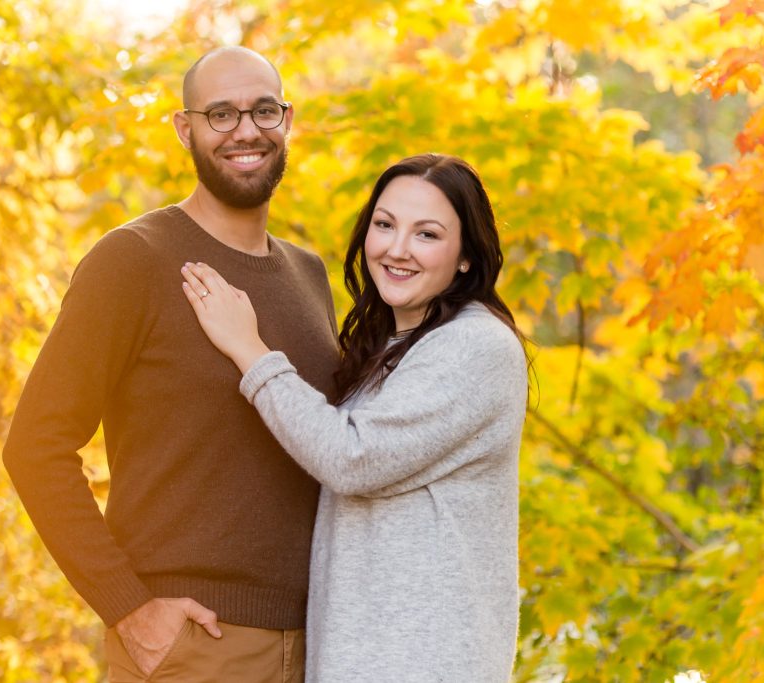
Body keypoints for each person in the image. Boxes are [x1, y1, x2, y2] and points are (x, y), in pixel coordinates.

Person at [2, 46, 341, 683]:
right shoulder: (133, 260)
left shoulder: (308, 274)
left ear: (287, 120)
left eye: (264, 110)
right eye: (221, 114)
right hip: (192, 646)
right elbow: (35, 445)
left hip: (317, 644)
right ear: (185, 129)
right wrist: (129, 609)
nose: (246, 130)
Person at [180, 153, 528, 682]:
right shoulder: (390, 350)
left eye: (427, 234)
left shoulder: (477, 346)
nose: (397, 248)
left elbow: (351, 457)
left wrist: (249, 350)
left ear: (465, 256)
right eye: (385, 225)